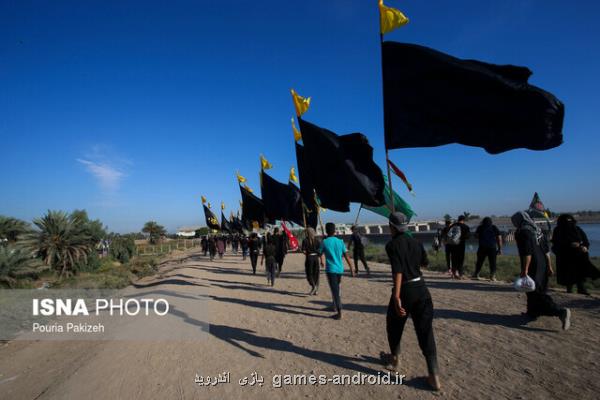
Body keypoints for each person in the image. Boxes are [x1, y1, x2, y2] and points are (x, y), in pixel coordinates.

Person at [382, 212, 440, 391]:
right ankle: (434, 378)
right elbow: (425, 264)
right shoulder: (417, 243)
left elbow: (398, 271)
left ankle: (396, 359)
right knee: (425, 333)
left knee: (393, 325)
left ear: (392, 227)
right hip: (422, 290)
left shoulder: (391, 245)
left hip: (405, 290)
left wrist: (397, 296)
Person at [512, 211, 571, 329]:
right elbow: (546, 249)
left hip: (533, 264)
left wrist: (525, 269)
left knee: (536, 292)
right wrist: (549, 266)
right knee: (535, 289)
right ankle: (532, 312)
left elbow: (527, 252)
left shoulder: (522, 232)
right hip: (543, 263)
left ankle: (560, 312)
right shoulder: (537, 229)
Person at [552, 214, 600, 295]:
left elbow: (585, 241)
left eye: (570, 221)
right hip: (565, 257)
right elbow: (556, 243)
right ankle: (569, 290)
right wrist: (569, 245)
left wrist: (585, 247)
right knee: (568, 274)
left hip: (579, 256)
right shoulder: (558, 230)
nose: (568, 224)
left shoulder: (577, 229)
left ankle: (581, 289)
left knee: (580, 273)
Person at [319, 222, 354, 320]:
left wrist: (322, 260)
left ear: (326, 231)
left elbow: (320, 253)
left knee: (335, 290)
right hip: (340, 269)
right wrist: (351, 268)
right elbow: (347, 256)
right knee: (336, 288)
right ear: (334, 230)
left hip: (331, 270)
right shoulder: (340, 241)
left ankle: (339, 312)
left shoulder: (324, 242)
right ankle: (334, 305)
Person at [302, 227, 321, 295]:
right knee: (316, 273)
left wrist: (306, 252)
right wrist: (321, 259)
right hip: (316, 258)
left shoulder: (305, 240)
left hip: (309, 258)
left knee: (309, 273)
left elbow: (304, 251)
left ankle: (313, 286)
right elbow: (320, 251)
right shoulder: (317, 240)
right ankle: (316, 289)